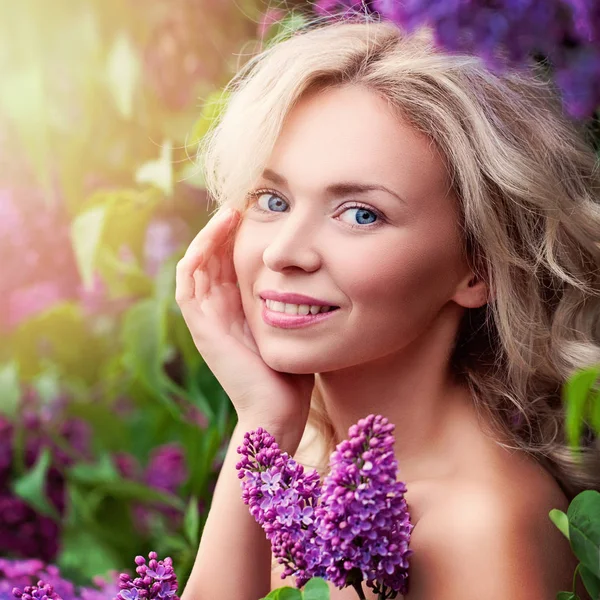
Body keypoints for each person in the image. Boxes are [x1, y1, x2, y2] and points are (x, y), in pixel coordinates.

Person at [175, 14, 600, 600]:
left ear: (478, 267)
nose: (284, 252)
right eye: (271, 199)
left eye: (359, 214)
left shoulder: (481, 528)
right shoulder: (303, 463)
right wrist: (262, 429)